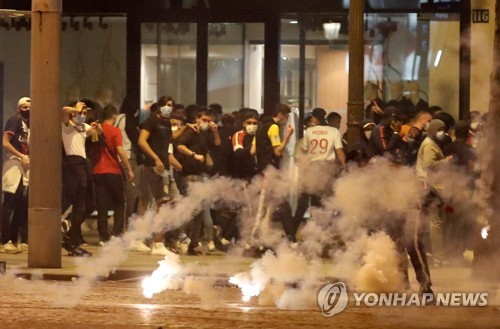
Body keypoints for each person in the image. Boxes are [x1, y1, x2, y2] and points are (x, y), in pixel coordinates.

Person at [137, 96, 186, 255]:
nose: (168, 107)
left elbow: (169, 139)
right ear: (159, 106)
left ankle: (158, 240)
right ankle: (157, 243)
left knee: (171, 202)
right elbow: (142, 141)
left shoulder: (166, 122)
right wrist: (156, 158)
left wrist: (186, 128)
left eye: (170, 105)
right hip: (154, 167)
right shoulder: (152, 121)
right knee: (161, 204)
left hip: (165, 168)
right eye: (165, 105)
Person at [292, 108, 345, 240]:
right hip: (328, 168)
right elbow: (339, 153)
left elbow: (304, 151)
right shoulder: (334, 131)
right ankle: (323, 234)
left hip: (313, 168)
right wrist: (343, 168)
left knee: (314, 203)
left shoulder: (309, 131)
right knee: (326, 202)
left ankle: (315, 235)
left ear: (314, 118)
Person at [174, 108, 221, 255]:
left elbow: (218, 145)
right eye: (204, 120)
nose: (206, 123)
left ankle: (193, 244)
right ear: (197, 119)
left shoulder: (204, 134)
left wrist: (214, 132)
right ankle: (180, 239)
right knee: (191, 210)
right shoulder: (192, 131)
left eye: (209, 121)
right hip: (191, 176)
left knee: (199, 211)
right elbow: (179, 145)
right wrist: (193, 155)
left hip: (201, 175)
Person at [61, 101, 101, 256]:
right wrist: (76, 108)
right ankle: (72, 238)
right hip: (73, 164)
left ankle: (72, 235)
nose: (83, 115)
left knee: (87, 205)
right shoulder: (66, 125)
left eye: (85, 112)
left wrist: (96, 127)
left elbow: (98, 132)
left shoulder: (83, 128)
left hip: (83, 164)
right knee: (78, 202)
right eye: (81, 112)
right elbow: (64, 109)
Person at [91, 105, 135, 245]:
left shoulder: (95, 130)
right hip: (113, 171)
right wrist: (129, 169)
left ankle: (103, 237)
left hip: (98, 171)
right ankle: (117, 234)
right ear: (114, 116)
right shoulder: (115, 130)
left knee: (102, 206)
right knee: (119, 203)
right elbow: (120, 151)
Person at [254, 104, 295, 242]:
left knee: (268, 206)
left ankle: (263, 237)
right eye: (286, 115)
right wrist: (288, 136)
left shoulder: (260, 126)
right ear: (280, 114)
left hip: (262, 169)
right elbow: (278, 150)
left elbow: (253, 150)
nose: (287, 119)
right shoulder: (273, 127)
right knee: (272, 205)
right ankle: (254, 238)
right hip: (270, 171)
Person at [416, 119, 453, 266]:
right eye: (439, 129)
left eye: (443, 129)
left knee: (428, 222)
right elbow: (430, 165)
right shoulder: (430, 145)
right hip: (429, 187)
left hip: (427, 186)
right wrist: (446, 161)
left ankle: (429, 253)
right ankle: (438, 257)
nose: (442, 132)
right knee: (435, 222)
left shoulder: (429, 143)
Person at [0, 97, 31, 253]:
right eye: (24, 107)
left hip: (25, 166)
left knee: (22, 203)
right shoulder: (15, 120)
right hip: (14, 164)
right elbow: (5, 142)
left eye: (30, 107)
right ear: (19, 108)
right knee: (9, 203)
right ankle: (4, 241)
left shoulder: (29, 126)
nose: (28, 110)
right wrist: (21, 156)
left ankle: (14, 239)